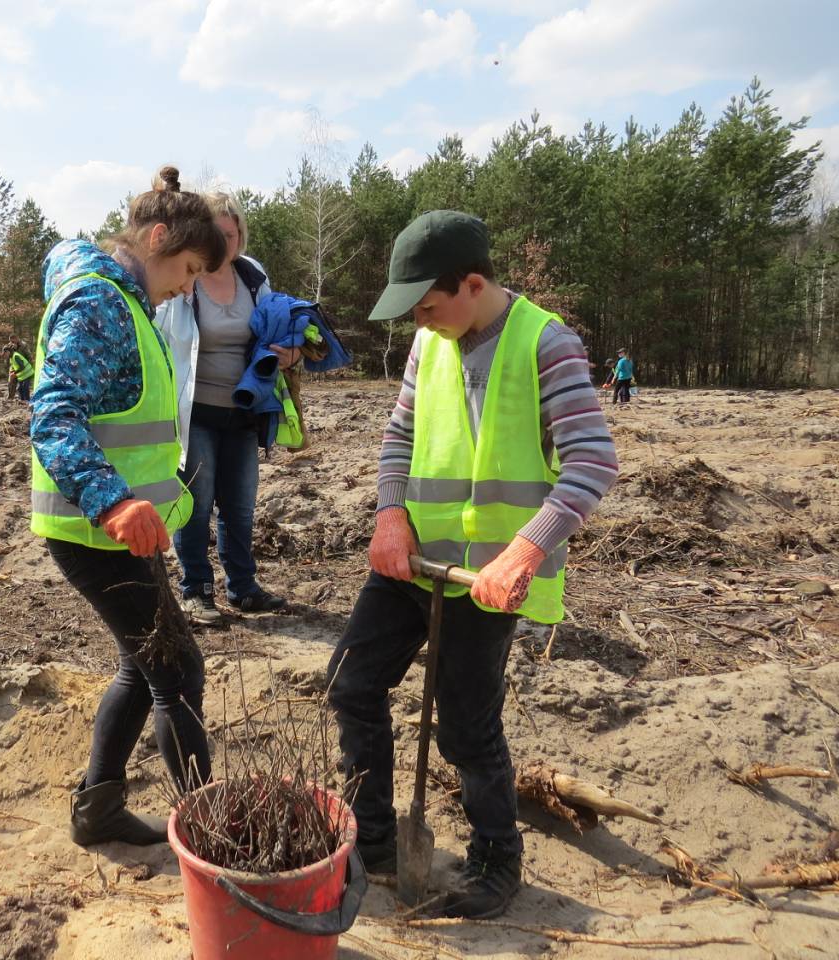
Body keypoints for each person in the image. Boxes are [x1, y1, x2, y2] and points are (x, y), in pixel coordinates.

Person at [326, 211, 618, 919]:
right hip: (412, 559)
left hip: (486, 578)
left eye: (429, 306)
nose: (420, 323)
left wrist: (523, 552)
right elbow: (399, 436)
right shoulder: (430, 345)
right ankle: (374, 838)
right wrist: (389, 515)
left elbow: (592, 463)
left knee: (463, 724)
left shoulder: (547, 344)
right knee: (351, 683)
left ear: (474, 283)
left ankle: (497, 857)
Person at [30, 165, 226, 846]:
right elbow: (54, 414)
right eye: (191, 268)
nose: (189, 285)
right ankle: (210, 832)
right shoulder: (99, 304)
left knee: (144, 669)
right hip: (93, 530)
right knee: (177, 670)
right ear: (159, 237)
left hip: (118, 532)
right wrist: (113, 502)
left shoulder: (127, 301)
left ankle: (100, 810)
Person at [154, 192, 294, 624]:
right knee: (196, 502)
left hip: (243, 410)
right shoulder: (185, 278)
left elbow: (274, 323)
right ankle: (195, 590)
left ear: (239, 236)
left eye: (230, 235)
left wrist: (288, 350)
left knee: (240, 504)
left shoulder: (252, 276)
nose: (224, 243)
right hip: (195, 410)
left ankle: (242, 587)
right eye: (215, 234)